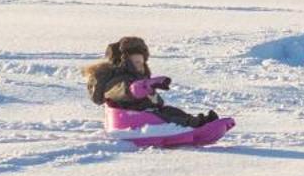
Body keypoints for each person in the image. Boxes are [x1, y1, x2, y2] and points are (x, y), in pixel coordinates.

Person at [84, 36, 221, 128]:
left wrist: (153, 94)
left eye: (142, 62)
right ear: (124, 63)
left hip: (144, 112)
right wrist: (142, 87)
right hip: (130, 117)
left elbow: (156, 102)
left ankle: (199, 122)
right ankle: (192, 126)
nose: (140, 65)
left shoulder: (139, 78)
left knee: (171, 111)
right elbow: (123, 90)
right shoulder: (117, 80)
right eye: (136, 62)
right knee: (164, 118)